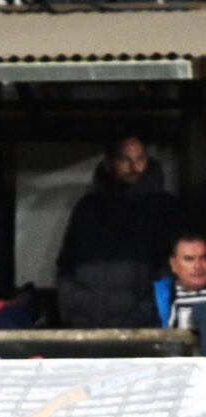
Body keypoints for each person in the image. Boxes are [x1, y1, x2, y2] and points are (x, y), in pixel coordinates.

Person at [55, 134, 183, 328]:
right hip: (87, 326)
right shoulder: (87, 208)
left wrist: (151, 314)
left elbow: (173, 267)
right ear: (108, 164)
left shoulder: (165, 207)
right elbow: (67, 262)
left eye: (140, 158)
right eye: (125, 159)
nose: (134, 166)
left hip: (143, 329)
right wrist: (71, 307)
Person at [130, 232, 206, 353]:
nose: (198, 266)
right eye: (189, 259)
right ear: (174, 265)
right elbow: (130, 340)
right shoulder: (155, 299)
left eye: (204, 258)